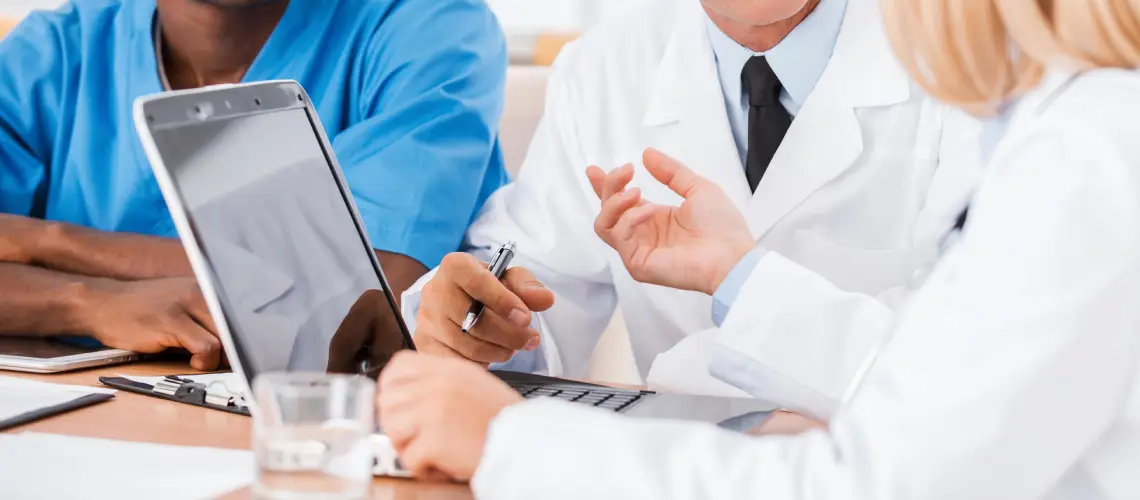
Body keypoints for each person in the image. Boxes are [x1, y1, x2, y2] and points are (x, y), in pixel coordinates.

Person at [378, 0, 1140, 497]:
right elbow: (930, 395)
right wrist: (478, 323)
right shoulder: (1076, 124)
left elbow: (879, 478)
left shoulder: (1081, 152)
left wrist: (513, 447)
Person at [405, 0, 982, 416]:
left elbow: (969, 364)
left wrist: (742, 281)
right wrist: (482, 324)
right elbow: (537, 290)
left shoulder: (972, 60)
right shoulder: (605, 65)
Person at [0, 0, 507, 370]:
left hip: (339, 424)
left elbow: (356, 298)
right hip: (95, 412)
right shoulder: (54, 50)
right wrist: (87, 303)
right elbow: (300, 282)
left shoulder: (429, 25)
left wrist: (41, 240)